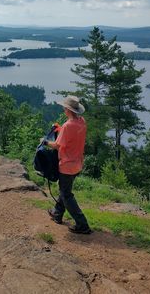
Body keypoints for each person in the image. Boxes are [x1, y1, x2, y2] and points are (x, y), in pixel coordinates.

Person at [43, 95, 92, 234]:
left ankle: (82, 224)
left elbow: (58, 145)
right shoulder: (82, 121)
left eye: (65, 107)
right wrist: (60, 130)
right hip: (77, 163)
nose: (63, 109)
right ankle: (57, 213)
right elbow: (71, 137)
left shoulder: (67, 125)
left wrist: (45, 142)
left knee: (66, 195)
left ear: (68, 110)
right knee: (65, 190)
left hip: (67, 165)